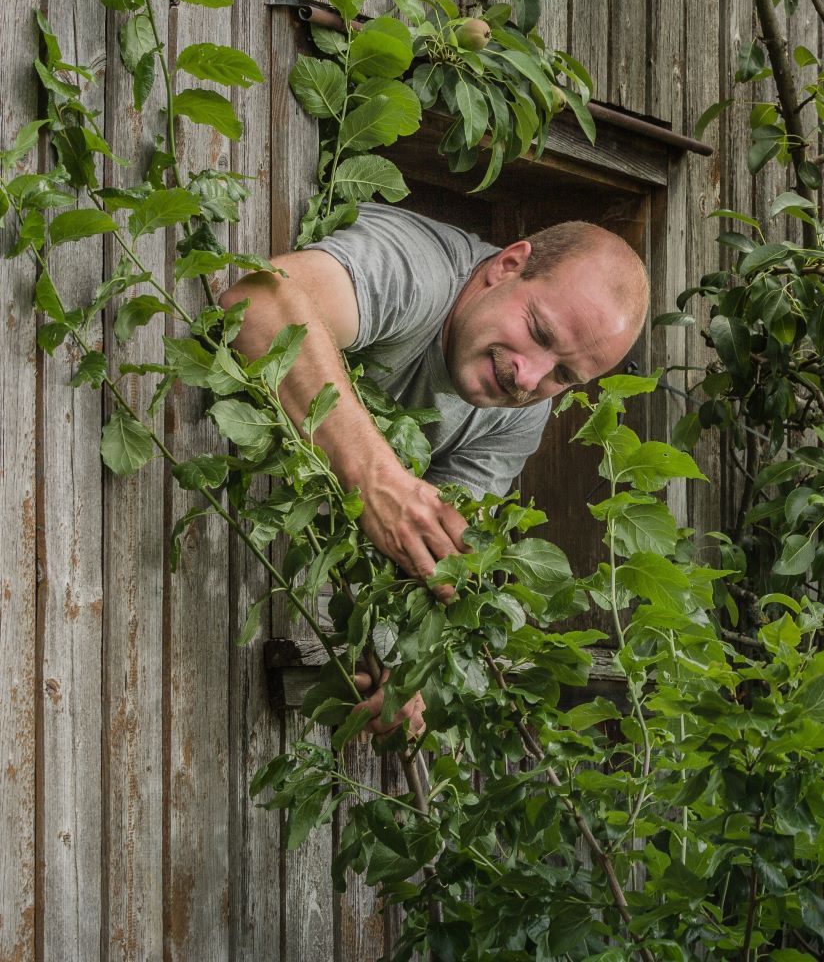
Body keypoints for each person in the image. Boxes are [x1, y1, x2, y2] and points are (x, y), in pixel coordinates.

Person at [220, 203, 651, 736]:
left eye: (563, 373)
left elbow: (443, 553)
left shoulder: (520, 415)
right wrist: (380, 482)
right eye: (538, 331)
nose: (528, 377)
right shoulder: (420, 272)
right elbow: (256, 300)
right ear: (508, 266)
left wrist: (410, 667)